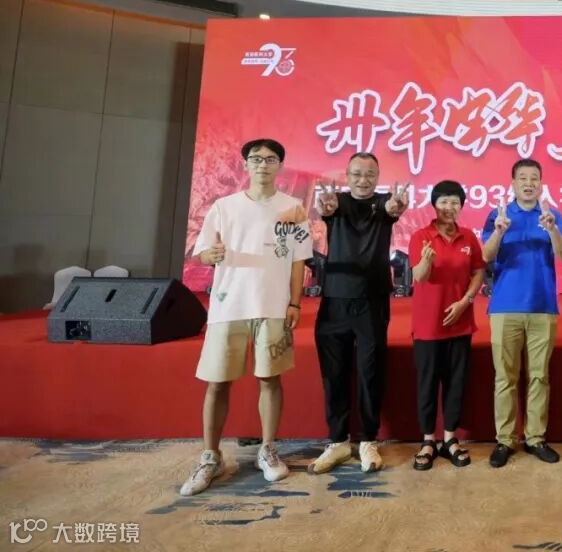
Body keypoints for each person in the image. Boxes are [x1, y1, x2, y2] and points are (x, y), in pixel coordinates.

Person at [181, 138, 312, 496]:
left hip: (273, 305)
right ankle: (211, 456)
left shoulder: (294, 209)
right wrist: (210, 256)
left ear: (279, 166)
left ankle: (267, 449)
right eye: (256, 159)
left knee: (270, 379)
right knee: (217, 382)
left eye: (270, 159)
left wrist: (295, 303)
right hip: (229, 306)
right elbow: (202, 252)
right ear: (245, 164)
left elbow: (298, 261)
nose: (262, 165)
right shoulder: (224, 207)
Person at [308, 152, 411, 475]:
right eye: (356, 174)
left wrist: (395, 207)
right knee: (334, 372)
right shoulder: (335, 202)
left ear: (377, 177)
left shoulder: (383, 203)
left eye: (369, 174)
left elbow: (392, 209)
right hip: (335, 299)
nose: (363, 180)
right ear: (347, 175)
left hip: (372, 301)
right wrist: (325, 210)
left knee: (370, 371)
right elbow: (326, 210)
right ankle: (338, 440)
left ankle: (368, 439)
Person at [482, 158, 562, 467]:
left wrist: (552, 229)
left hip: (543, 307)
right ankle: (505, 440)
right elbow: (486, 255)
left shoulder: (551, 215)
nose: (529, 183)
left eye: (534, 178)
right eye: (523, 178)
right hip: (504, 307)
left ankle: (535, 438)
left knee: (539, 376)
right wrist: (499, 231)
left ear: (541, 184)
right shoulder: (499, 214)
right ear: (513, 183)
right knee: (504, 377)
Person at [408, 180, 485, 470]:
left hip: (460, 322)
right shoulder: (420, 236)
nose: (449, 207)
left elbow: (478, 272)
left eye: (455, 202)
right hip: (428, 325)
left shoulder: (468, 237)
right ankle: (428, 440)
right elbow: (419, 276)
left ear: (461, 206)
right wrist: (426, 261)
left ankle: (450, 438)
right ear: (434, 205)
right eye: (443, 202)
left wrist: (466, 301)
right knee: (427, 383)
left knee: (456, 382)